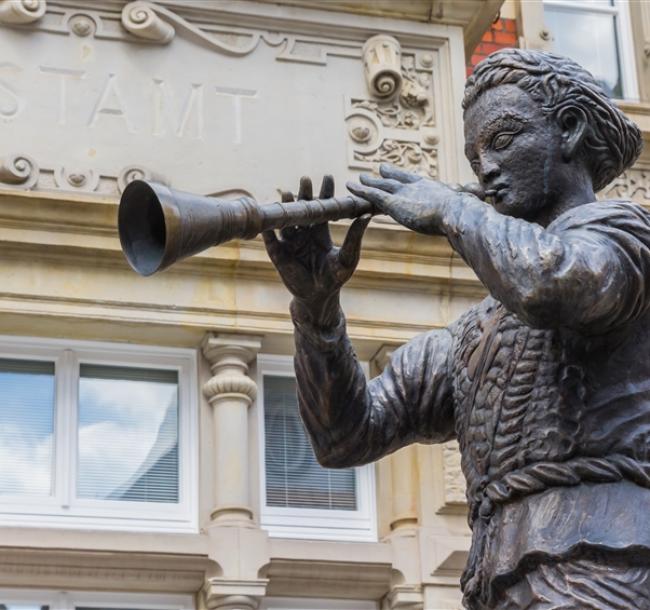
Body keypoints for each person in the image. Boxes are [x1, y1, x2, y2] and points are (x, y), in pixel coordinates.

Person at [262, 48, 650, 609]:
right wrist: (317, 308)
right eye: (473, 153)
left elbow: (553, 284)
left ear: (568, 129)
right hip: (499, 587)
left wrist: (450, 210)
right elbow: (344, 436)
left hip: (605, 566)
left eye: (503, 139)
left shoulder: (625, 236)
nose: (484, 168)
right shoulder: (473, 333)